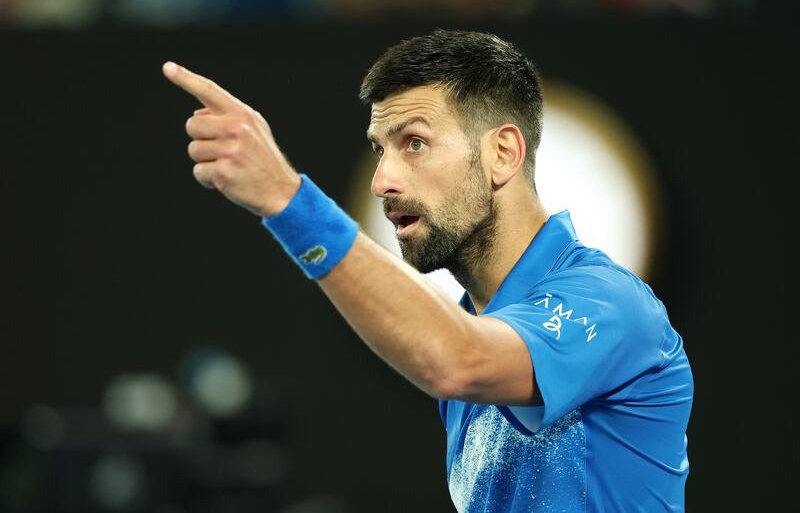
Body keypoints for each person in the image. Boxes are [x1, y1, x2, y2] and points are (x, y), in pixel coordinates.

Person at [162, 29, 692, 512]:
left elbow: (455, 359)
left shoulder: (610, 303)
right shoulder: (468, 339)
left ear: (502, 154)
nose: (382, 180)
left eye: (414, 143)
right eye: (379, 149)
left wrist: (288, 199)